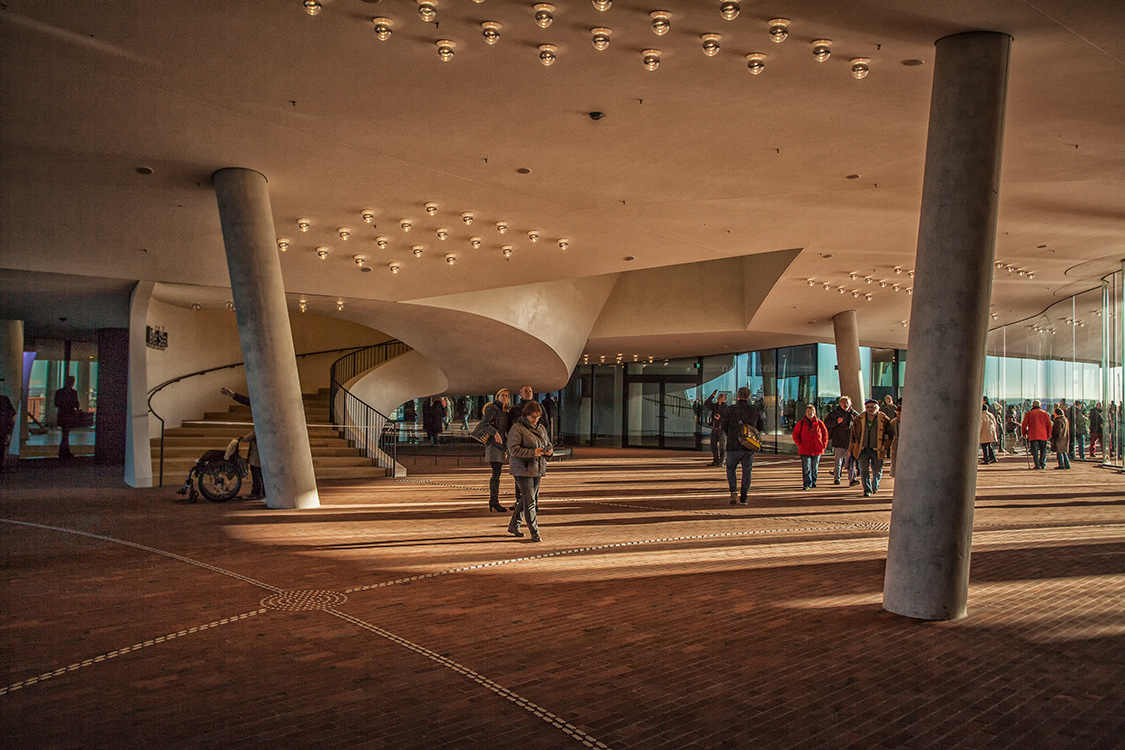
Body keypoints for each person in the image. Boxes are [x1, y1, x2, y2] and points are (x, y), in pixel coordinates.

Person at [506, 400, 552, 542]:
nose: (535, 420)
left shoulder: (541, 428)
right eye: (533, 417)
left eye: (538, 417)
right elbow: (513, 449)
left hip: (537, 468)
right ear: (526, 415)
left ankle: (514, 525)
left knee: (527, 499)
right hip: (522, 469)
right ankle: (534, 532)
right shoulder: (517, 428)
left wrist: (549, 451)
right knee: (530, 500)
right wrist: (533, 452)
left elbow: (547, 443)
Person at [719, 386, 765, 505]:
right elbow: (760, 427)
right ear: (749, 396)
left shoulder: (730, 409)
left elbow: (723, 425)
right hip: (748, 446)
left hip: (733, 444)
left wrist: (731, 434)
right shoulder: (755, 410)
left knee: (730, 469)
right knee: (747, 471)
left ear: (738, 396)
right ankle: (744, 497)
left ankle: (733, 490)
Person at [849, 399, 892, 498]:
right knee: (864, 470)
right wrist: (851, 449)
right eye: (868, 407)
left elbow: (889, 435)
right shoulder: (859, 419)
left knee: (877, 469)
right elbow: (853, 435)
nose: (870, 409)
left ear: (878, 408)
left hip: (877, 449)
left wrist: (884, 446)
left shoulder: (884, 420)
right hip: (863, 449)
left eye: (873, 407)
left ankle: (875, 485)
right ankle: (867, 490)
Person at [481, 389, 512, 513]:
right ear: (497, 397)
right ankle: (494, 500)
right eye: (502, 395)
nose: (504, 397)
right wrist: (495, 433)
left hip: (501, 445)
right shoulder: (492, 409)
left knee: (497, 472)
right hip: (493, 445)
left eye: (506, 396)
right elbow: (484, 424)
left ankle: (494, 500)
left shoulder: (505, 411)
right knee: (496, 472)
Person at [792, 404, 829, 490]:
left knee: (814, 467)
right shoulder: (801, 423)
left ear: (815, 412)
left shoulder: (820, 423)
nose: (810, 413)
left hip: (817, 449)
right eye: (808, 411)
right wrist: (799, 443)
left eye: (811, 411)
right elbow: (795, 434)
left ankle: (813, 482)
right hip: (805, 449)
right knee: (806, 467)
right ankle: (807, 483)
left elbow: (825, 435)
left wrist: (824, 445)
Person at [825, 396, 860, 486]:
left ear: (851, 403)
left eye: (847, 402)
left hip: (850, 442)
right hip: (839, 440)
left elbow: (859, 427)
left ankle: (852, 479)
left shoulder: (855, 414)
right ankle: (837, 478)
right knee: (838, 461)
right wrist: (837, 422)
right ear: (840, 404)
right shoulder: (834, 414)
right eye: (844, 403)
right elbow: (827, 424)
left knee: (850, 461)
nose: (846, 404)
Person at [54, 375, 80, 459]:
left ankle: (63, 451)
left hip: (62, 414)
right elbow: (76, 404)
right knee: (66, 434)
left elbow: (56, 404)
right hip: (69, 414)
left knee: (65, 434)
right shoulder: (73, 393)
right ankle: (65, 451)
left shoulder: (59, 392)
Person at [1021, 400, 1052, 470]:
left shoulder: (1029, 413)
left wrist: (1024, 433)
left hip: (1033, 435)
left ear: (1032, 405)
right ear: (1040, 405)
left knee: (1035, 451)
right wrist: (1049, 434)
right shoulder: (1044, 413)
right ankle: (1042, 463)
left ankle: (1037, 464)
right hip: (1043, 435)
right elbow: (1049, 425)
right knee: (1043, 450)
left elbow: (1024, 424)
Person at [703, 390, 728, 467]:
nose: (719, 398)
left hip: (722, 429)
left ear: (724, 399)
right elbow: (707, 403)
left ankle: (721, 461)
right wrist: (712, 395)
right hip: (715, 427)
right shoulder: (715, 406)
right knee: (713, 444)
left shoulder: (726, 408)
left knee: (722, 445)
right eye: (719, 396)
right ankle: (715, 460)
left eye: (721, 397)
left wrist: (720, 418)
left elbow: (727, 419)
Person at [238, 430, 265, 499]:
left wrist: (243, 439)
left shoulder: (257, 430)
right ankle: (262, 492)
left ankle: (256, 492)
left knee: (256, 476)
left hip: (255, 458)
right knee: (260, 475)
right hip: (260, 456)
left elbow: (248, 438)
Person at [0, 379, 16, 471]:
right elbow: (12, 413)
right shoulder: (4, 399)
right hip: (3, 426)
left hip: (3, 426)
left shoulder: (4, 399)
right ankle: (1, 464)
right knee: (1, 446)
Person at [887, 400, 902, 478]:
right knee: (895, 460)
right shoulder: (893, 422)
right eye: (898, 413)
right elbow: (890, 434)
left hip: (905, 445)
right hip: (896, 443)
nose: (899, 415)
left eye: (900, 413)